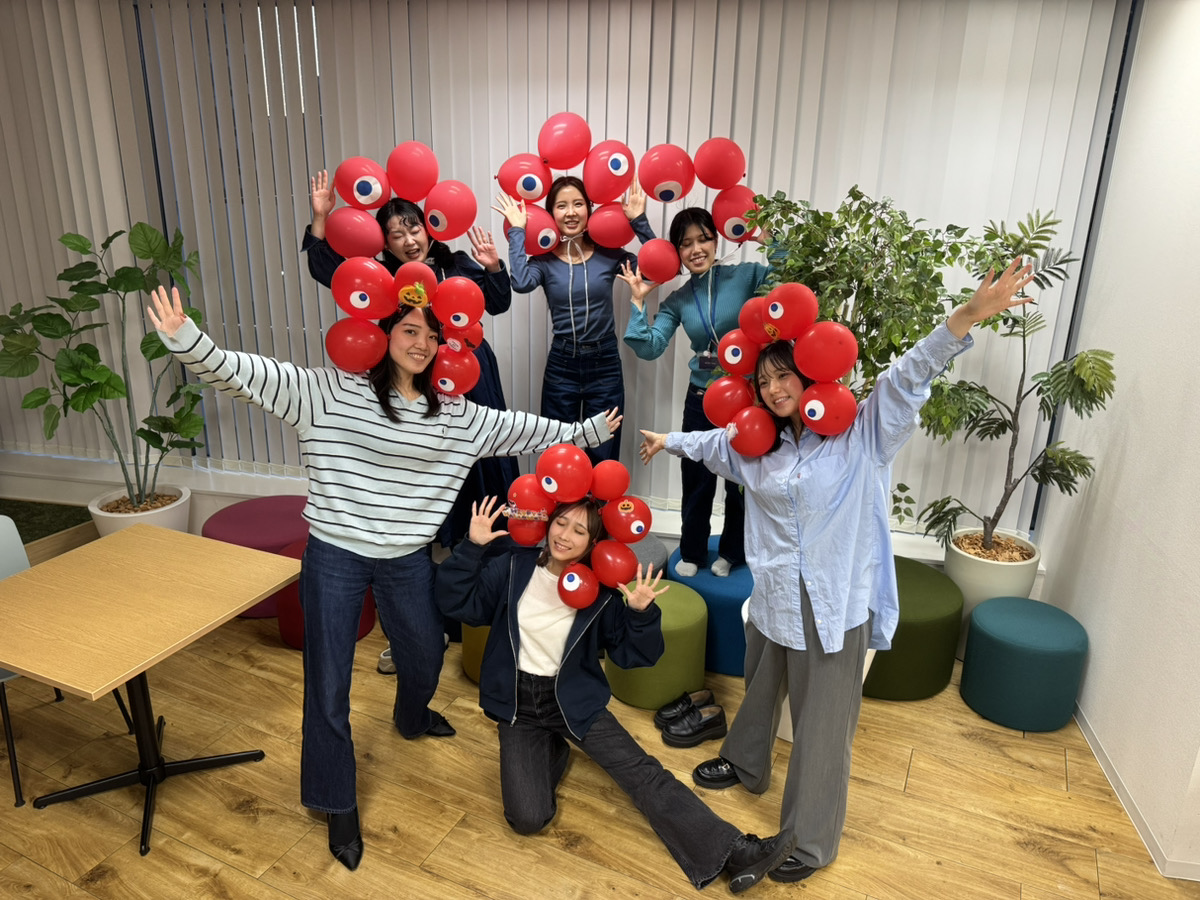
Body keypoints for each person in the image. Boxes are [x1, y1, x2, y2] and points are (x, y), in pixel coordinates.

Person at [146, 285, 622, 872]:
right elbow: (246, 375)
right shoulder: (327, 392)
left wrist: (588, 431)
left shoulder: (458, 416)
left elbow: (523, 429)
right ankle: (335, 801)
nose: (422, 344)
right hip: (335, 554)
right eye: (409, 330)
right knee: (328, 683)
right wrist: (186, 338)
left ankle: (412, 715)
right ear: (383, 333)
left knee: (425, 655)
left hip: (407, 559)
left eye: (432, 335)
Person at [637, 259, 1036, 882]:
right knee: (760, 683)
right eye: (764, 380)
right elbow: (714, 444)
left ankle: (810, 839)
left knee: (822, 727)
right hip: (775, 591)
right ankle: (746, 763)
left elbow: (907, 377)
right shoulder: (758, 447)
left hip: (833, 600)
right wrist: (669, 439)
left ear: (810, 372)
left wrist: (965, 317)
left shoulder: (862, 435)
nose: (774, 388)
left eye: (784, 375)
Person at [435, 496, 795, 893]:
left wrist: (640, 613)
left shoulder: (600, 591)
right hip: (518, 705)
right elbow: (456, 603)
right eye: (561, 523)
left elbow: (637, 656)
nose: (564, 536)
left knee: (643, 774)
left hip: (573, 701)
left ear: (593, 542)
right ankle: (552, 749)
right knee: (527, 819)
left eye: (579, 531)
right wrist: (471, 548)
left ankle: (737, 850)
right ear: (548, 523)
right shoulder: (512, 567)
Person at [303, 171, 519, 548]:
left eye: (414, 229)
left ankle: (494, 533)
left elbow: (498, 303)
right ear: (385, 242)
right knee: (430, 453)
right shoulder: (383, 274)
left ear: (427, 228)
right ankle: (440, 536)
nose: (409, 240)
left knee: (480, 443)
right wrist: (320, 217)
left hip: (468, 367)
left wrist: (492, 266)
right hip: (414, 373)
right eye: (396, 235)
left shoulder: (456, 264)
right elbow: (326, 269)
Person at [618, 207, 772, 577]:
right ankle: (692, 551)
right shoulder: (678, 298)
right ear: (677, 252)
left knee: (741, 480)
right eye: (686, 244)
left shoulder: (748, 275)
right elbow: (650, 346)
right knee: (697, 478)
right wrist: (638, 303)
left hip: (749, 397)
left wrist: (771, 240)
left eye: (703, 239)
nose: (696, 249)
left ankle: (733, 553)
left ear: (716, 241)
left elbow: (791, 283)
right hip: (702, 397)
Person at [493, 176, 654, 465]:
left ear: (589, 209)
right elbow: (520, 282)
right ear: (550, 213)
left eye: (578, 204)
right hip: (562, 366)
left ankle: (598, 497)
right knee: (559, 453)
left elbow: (656, 267)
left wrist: (638, 221)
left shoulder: (609, 254)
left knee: (603, 453)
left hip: (605, 364)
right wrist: (518, 230)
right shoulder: (543, 260)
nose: (570, 212)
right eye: (561, 206)